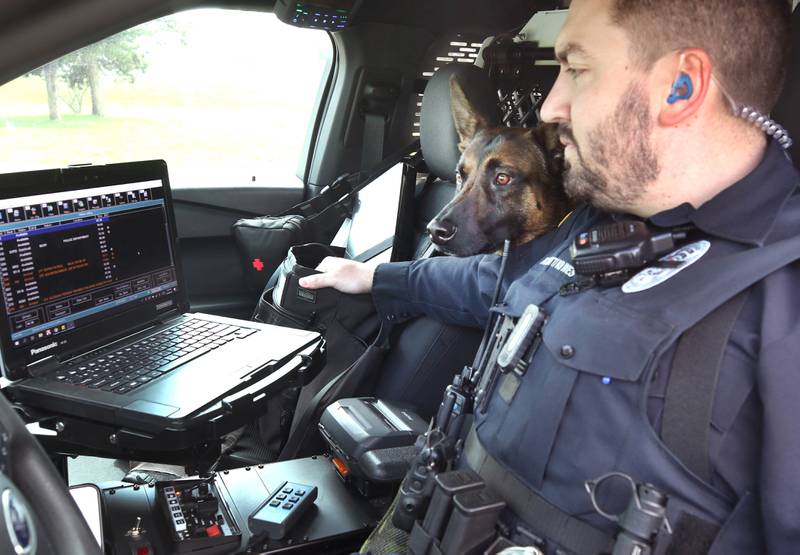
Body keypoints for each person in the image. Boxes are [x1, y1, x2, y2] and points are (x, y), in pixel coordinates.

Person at [300, 0, 799, 551]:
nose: (554, 103)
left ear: (681, 86)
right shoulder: (595, 217)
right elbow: (490, 283)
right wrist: (376, 279)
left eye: (577, 68)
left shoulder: (781, 296)